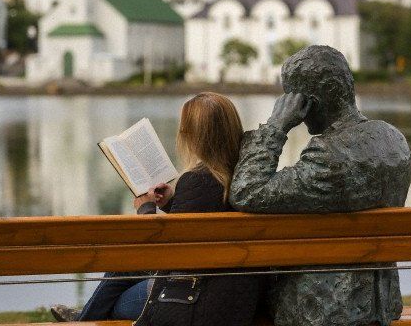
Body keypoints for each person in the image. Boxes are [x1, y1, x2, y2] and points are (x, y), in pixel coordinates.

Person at [230, 45, 411, 326]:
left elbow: (247, 191)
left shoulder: (328, 158)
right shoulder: (394, 140)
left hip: (325, 308)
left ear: (306, 102)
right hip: (381, 301)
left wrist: (276, 127)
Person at [52, 92, 261, 326]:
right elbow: (200, 227)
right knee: (122, 269)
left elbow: (162, 254)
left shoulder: (197, 180)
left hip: (195, 297)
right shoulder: (247, 178)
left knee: (117, 290)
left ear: (192, 136)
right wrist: (173, 202)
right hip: (237, 292)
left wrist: (146, 210)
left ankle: (84, 320)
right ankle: (84, 318)